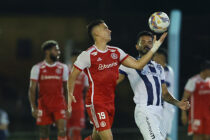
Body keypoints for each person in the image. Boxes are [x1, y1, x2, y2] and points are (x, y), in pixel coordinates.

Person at [67, 19, 167, 140]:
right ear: (97, 33)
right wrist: (69, 93)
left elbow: (138, 65)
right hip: (96, 102)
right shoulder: (87, 55)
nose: (110, 30)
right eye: (105, 28)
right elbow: (73, 75)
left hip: (110, 102)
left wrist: (154, 48)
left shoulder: (116, 52)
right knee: (108, 138)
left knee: (96, 137)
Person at [117, 31, 190, 140]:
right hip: (144, 111)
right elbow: (112, 82)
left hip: (160, 112)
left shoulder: (158, 68)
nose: (147, 44)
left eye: (150, 42)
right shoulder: (129, 63)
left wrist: (178, 103)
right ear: (137, 46)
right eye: (143, 42)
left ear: (153, 45)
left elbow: (164, 93)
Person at [28, 40, 69, 140]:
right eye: (56, 50)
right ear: (47, 51)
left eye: (58, 50)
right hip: (44, 105)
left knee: (62, 130)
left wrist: (68, 106)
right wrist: (33, 107)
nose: (59, 52)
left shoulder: (63, 67)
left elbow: (66, 88)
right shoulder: (37, 68)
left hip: (59, 105)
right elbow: (32, 89)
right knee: (44, 133)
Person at [181, 60, 210, 140]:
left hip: (208, 115)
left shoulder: (209, 81)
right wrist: (183, 114)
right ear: (206, 70)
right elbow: (184, 98)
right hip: (196, 115)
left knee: (207, 137)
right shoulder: (193, 81)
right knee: (198, 137)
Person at [153, 48, 175, 140]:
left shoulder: (168, 70)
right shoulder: (152, 69)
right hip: (154, 107)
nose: (155, 59)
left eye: (158, 57)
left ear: (163, 58)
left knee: (164, 136)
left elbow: (164, 86)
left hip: (166, 108)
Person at [67, 50, 88, 140]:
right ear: (71, 59)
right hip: (66, 106)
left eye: (77, 59)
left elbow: (87, 91)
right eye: (74, 58)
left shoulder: (84, 73)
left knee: (77, 132)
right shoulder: (65, 71)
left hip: (78, 107)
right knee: (65, 131)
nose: (75, 60)